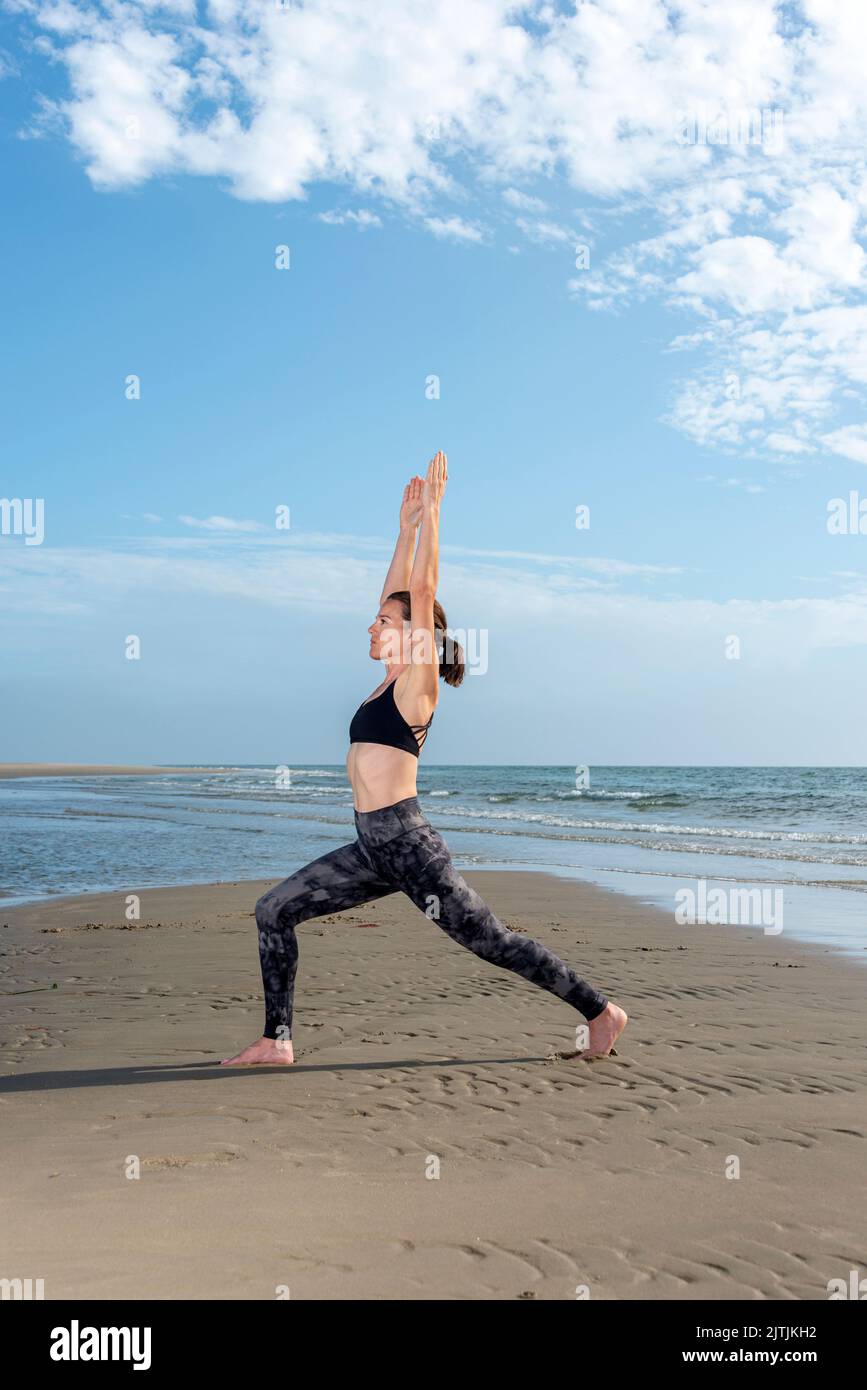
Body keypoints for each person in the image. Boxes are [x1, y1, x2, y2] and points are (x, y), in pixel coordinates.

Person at [222, 451, 627, 1066]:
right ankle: (277, 1040)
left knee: (491, 941)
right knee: (273, 910)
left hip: (410, 847)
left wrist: (434, 514)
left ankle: (601, 1012)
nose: (371, 624)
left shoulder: (417, 685)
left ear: (413, 634)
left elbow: (422, 591)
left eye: (384, 620)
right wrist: (404, 528)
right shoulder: (382, 685)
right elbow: (400, 590)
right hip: (369, 848)